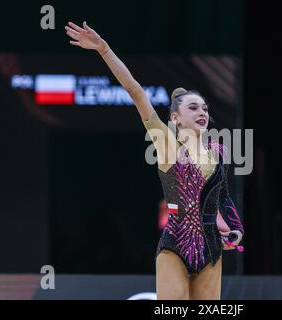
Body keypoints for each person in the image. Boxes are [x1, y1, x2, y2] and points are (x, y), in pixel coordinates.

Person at [65, 21, 244, 300]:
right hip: (175, 246)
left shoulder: (217, 152)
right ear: (175, 118)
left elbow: (221, 200)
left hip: (211, 250)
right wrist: (104, 49)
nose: (202, 112)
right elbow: (136, 91)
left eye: (205, 108)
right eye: (193, 107)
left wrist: (233, 229)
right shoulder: (166, 142)